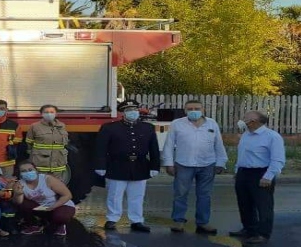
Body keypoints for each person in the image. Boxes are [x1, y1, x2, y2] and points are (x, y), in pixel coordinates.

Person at [161, 100, 227, 234]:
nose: (193, 111)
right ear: (185, 110)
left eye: (196, 108)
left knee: (205, 195)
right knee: (180, 194)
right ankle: (178, 221)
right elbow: (169, 145)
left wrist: (221, 162)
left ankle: (203, 223)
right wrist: (168, 163)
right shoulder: (177, 124)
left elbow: (218, 144)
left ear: (203, 109)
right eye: (189, 109)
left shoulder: (212, 123)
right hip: (183, 164)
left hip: (207, 164)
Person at [94, 99, 160, 233]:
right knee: (115, 194)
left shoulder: (147, 128)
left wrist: (155, 166)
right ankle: (112, 218)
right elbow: (100, 149)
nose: (133, 112)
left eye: (135, 110)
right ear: (123, 113)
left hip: (140, 165)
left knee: (137, 195)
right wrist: (100, 165)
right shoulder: (109, 128)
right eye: (129, 110)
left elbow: (154, 149)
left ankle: (136, 220)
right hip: (117, 165)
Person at [230, 111, 286, 244]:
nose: (243, 120)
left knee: (263, 205)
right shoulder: (246, 134)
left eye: (246, 118)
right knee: (244, 203)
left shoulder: (272, 136)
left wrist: (268, 176)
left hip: (261, 173)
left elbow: (277, 159)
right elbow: (242, 154)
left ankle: (263, 233)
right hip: (244, 173)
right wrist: (237, 171)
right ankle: (249, 229)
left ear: (254, 121)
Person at [11, 161, 76, 236]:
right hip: (42, 207)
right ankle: (35, 225)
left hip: (60, 204)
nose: (28, 173)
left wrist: (53, 207)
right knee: (23, 204)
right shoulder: (19, 184)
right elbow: (18, 203)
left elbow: (67, 195)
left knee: (60, 217)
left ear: (36, 170)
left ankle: (60, 225)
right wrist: (18, 194)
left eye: (30, 170)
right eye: (23, 171)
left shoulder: (47, 179)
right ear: (20, 174)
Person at [24, 104, 70, 180]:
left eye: (52, 112)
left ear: (56, 113)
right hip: (41, 163)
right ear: (41, 114)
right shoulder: (34, 126)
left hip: (58, 163)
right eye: (46, 112)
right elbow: (29, 143)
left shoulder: (62, 126)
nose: (49, 114)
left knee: (56, 186)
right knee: (40, 185)